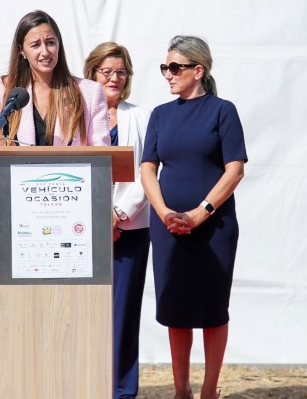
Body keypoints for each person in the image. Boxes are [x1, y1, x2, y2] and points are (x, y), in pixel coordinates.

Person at [140, 35, 247, 399]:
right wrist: (165, 212)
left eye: (175, 67)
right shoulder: (160, 114)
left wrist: (201, 213)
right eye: (164, 68)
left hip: (213, 226)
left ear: (198, 70)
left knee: (214, 307)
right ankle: (181, 390)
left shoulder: (223, 111)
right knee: (175, 307)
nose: (168, 75)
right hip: (168, 226)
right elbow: (147, 169)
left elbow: (234, 170)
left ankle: (209, 391)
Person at [83, 42, 151, 399]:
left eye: (120, 72)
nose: (113, 78)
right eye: (105, 71)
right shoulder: (75, 113)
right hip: (82, 231)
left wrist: (118, 213)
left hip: (131, 227)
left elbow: (149, 172)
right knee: (86, 314)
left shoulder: (141, 116)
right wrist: (96, 216)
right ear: (91, 73)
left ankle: (122, 391)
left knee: (123, 316)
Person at [0, 10, 109, 147]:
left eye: (50, 42)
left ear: (59, 44)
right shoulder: (3, 88)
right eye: (35, 45)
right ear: (21, 50)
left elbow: (101, 151)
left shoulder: (89, 92)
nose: (45, 52)